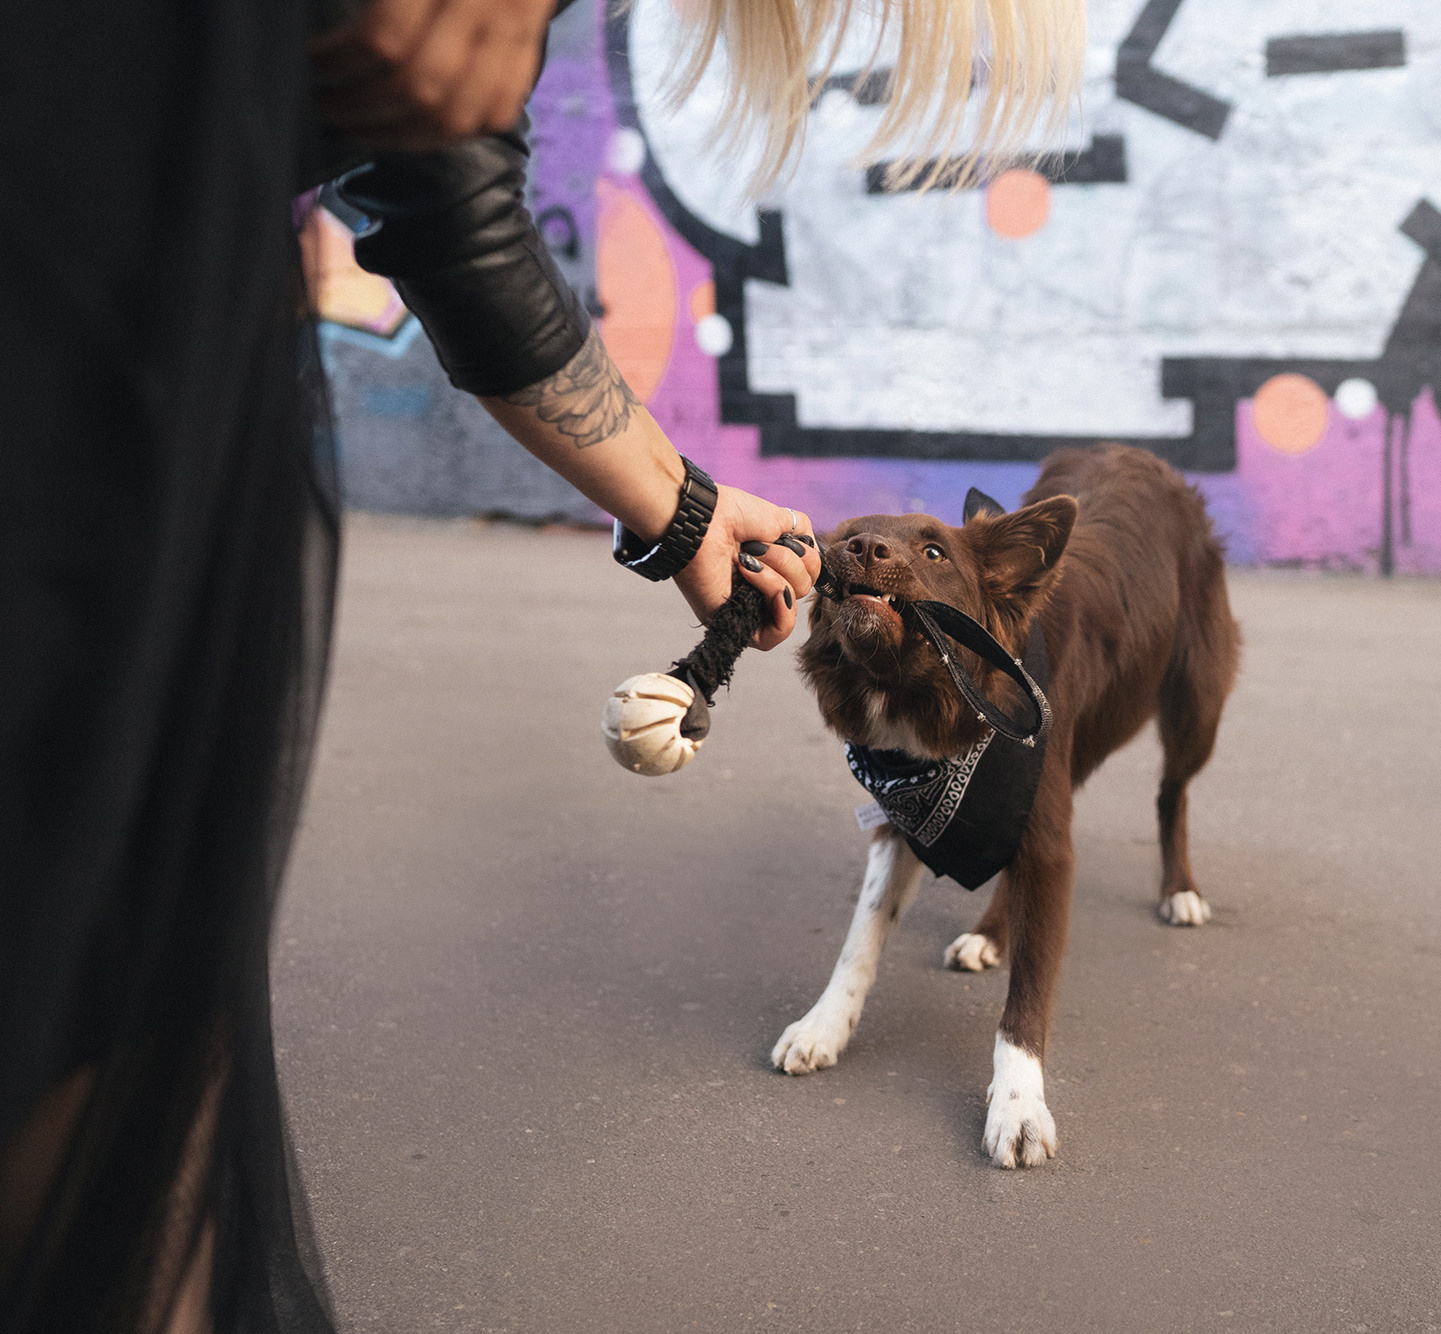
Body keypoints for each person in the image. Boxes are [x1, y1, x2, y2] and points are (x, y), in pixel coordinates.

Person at [0, 0, 1078, 1329]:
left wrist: (681, 508)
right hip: (76, 362)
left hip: (138, 369)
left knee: (116, 1065)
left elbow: (440, 194)